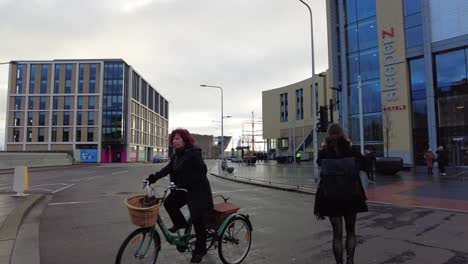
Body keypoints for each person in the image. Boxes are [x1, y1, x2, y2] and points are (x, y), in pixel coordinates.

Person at [146, 128, 213, 263]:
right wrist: (153, 178)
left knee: (197, 219)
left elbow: (203, 170)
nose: (174, 141)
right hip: (184, 190)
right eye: (173, 139)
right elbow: (167, 169)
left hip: (198, 191)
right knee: (169, 203)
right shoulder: (176, 155)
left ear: (184, 140)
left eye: (177, 139)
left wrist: (188, 182)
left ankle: (200, 250)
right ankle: (180, 224)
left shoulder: (193, 153)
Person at [314, 123, 368, 264]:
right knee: (351, 232)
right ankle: (350, 261)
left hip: (331, 197)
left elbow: (320, 166)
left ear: (328, 135)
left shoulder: (323, 152)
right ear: (342, 133)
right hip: (351, 195)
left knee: (337, 235)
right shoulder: (351, 149)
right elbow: (363, 163)